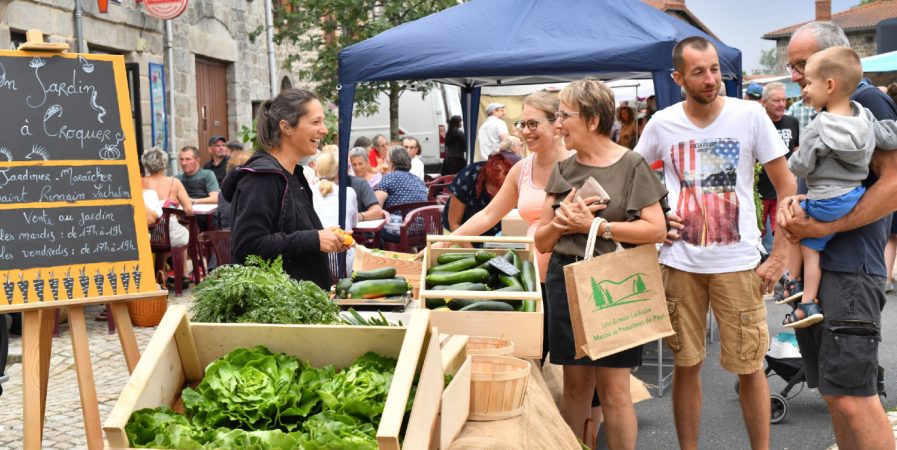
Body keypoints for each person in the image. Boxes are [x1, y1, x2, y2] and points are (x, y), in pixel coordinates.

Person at [635, 36, 796, 450]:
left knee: (750, 368)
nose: (711, 80)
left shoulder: (750, 116)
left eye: (714, 70)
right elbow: (632, 179)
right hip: (680, 264)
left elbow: (787, 186)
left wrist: (779, 255)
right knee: (686, 367)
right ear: (678, 78)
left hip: (739, 264)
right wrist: (653, 216)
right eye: (699, 72)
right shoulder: (662, 123)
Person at [777, 21, 897, 449]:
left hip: (850, 267)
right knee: (835, 393)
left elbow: (894, 184)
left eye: (801, 66)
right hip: (829, 267)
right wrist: (795, 204)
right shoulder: (834, 105)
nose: (794, 77)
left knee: (853, 397)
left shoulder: (864, 100)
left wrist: (824, 226)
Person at [533, 78, 668, 449]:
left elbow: (656, 229)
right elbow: (541, 241)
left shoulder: (632, 164)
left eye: (564, 115)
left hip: (615, 282)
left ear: (592, 120)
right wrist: (561, 222)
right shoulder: (564, 169)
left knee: (615, 391)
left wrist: (597, 225)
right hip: (567, 278)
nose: (558, 124)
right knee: (575, 388)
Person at [781, 47, 897, 329]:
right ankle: (796, 286)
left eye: (808, 81)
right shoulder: (866, 118)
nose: (804, 87)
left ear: (829, 85)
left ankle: (797, 288)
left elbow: (802, 166)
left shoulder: (818, 127)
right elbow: (889, 135)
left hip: (825, 201)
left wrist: (795, 157)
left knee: (800, 229)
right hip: (854, 195)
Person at [221, 88, 351, 290]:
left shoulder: (294, 176)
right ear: (286, 127)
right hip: (278, 308)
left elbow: (290, 232)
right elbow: (248, 246)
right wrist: (314, 239)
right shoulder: (261, 179)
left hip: (300, 305)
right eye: (316, 122)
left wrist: (325, 236)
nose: (324, 130)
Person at [759, 82, 800, 255]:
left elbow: (797, 149)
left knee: (783, 232)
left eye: (784, 100)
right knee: (760, 235)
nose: (782, 104)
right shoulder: (759, 124)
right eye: (776, 100)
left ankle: (782, 274)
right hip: (759, 191)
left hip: (783, 191)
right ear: (764, 103)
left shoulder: (792, 122)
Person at [141, 147, 193, 282]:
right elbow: (188, 209)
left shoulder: (140, 183)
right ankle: (182, 273)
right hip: (171, 235)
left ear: (145, 164)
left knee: (161, 237)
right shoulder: (174, 183)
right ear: (164, 163)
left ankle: (160, 274)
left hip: (148, 235)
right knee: (182, 230)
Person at [443, 151, 521, 235]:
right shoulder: (466, 178)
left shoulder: (515, 181)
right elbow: (454, 223)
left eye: (503, 189)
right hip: (458, 234)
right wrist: (471, 248)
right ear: (486, 180)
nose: (499, 194)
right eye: (496, 189)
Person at [313, 151, 358, 269]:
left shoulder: (307, 192)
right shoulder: (349, 192)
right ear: (339, 172)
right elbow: (353, 225)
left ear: (316, 170)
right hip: (344, 262)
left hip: (316, 261)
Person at [217, 150, 250, 230]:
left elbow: (219, 221)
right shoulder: (253, 191)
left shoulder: (222, 193)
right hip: (245, 238)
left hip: (225, 238)